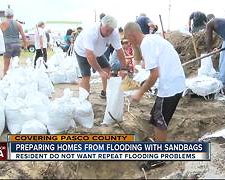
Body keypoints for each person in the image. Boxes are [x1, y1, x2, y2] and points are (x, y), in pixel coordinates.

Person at [124, 22, 185, 168]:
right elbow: (149, 66)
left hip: (170, 86)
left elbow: (154, 75)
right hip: (175, 82)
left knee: (160, 121)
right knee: (156, 115)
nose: (128, 42)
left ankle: (159, 157)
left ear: (132, 35)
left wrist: (140, 92)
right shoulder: (151, 39)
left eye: (128, 39)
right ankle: (157, 142)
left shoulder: (146, 44)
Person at [74, 15, 127, 98]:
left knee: (107, 68)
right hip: (83, 52)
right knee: (86, 76)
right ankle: (84, 101)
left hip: (98, 52)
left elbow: (120, 51)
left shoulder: (114, 33)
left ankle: (105, 92)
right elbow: (89, 55)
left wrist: (124, 69)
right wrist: (100, 71)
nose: (109, 33)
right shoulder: (91, 33)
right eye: (107, 30)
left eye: (111, 31)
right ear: (101, 25)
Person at [0, 8, 27, 75]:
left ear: (5, 15)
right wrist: (25, 45)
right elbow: (23, 35)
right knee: (15, 64)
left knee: (6, 65)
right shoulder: (18, 24)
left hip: (8, 45)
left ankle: (5, 79)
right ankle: (15, 78)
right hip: (17, 45)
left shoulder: (3, 23)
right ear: (13, 15)